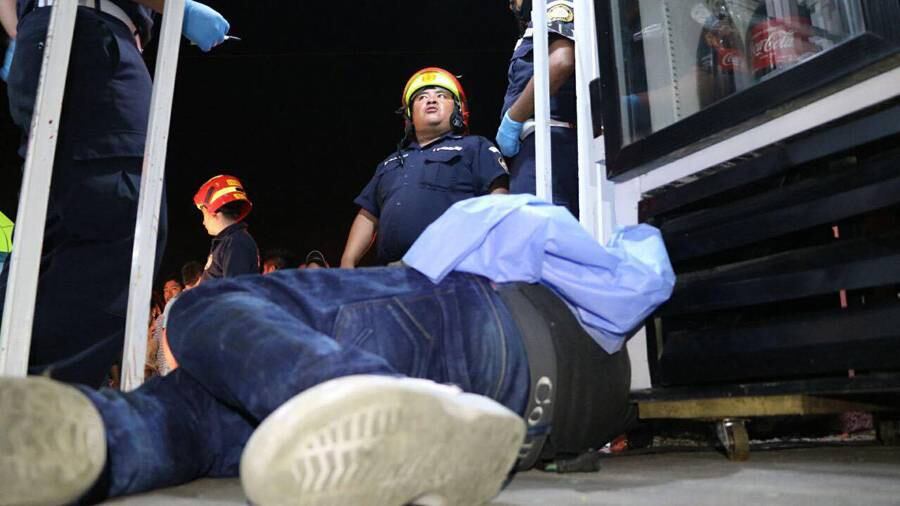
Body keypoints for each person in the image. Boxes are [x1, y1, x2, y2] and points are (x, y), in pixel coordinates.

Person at [0, 194, 675, 505]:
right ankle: (92, 439)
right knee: (200, 415)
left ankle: (353, 394)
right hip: (527, 411)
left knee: (201, 309)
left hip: (467, 334)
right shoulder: (612, 387)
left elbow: (531, 226)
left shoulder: (591, 269)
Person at [0, 0, 231, 387]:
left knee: (53, 229)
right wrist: (176, 7)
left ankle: (21, 379)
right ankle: (43, 397)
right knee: (123, 220)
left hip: (50, 35)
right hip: (96, 36)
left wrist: (26, 30)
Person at [341, 67, 510, 267]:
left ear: (458, 110)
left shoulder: (475, 146)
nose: (431, 100)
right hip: (392, 274)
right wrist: (347, 263)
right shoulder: (389, 163)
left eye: (441, 96)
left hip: (453, 269)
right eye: (422, 97)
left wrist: (494, 256)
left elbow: (499, 199)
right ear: (409, 116)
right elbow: (368, 215)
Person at [496, 0, 579, 218]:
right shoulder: (534, 26)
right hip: (536, 146)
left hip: (551, 142)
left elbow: (561, 61)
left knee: (537, 228)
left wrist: (513, 119)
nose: (511, 5)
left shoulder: (554, 5)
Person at [193, 174, 260, 282]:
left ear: (213, 211)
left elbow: (234, 289)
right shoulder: (229, 242)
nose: (203, 222)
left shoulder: (236, 243)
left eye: (203, 214)